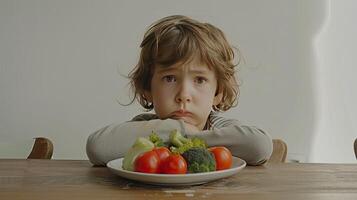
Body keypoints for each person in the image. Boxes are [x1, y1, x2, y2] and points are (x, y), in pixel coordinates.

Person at [86, 15, 273, 166]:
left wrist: (191, 138)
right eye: (170, 78)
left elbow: (260, 145)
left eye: (199, 80)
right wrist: (179, 129)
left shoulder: (218, 126)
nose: (184, 95)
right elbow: (97, 147)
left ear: (218, 93)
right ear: (147, 88)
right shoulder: (148, 129)